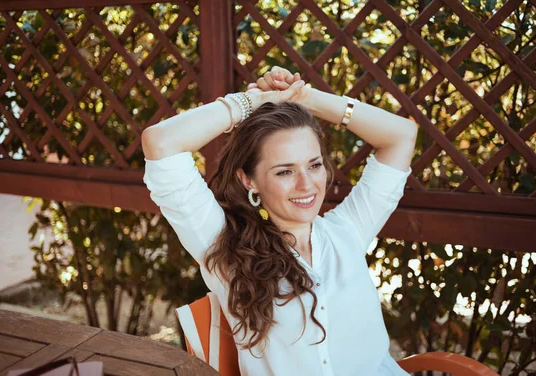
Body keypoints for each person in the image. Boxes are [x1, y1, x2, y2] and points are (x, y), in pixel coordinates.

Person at [141, 66, 418, 376]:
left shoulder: (348, 231)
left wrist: (305, 97)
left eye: (314, 166)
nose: (306, 185)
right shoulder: (224, 247)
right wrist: (250, 101)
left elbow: (401, 136)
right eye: (284, 171)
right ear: (249, 180)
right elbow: (160, 143)